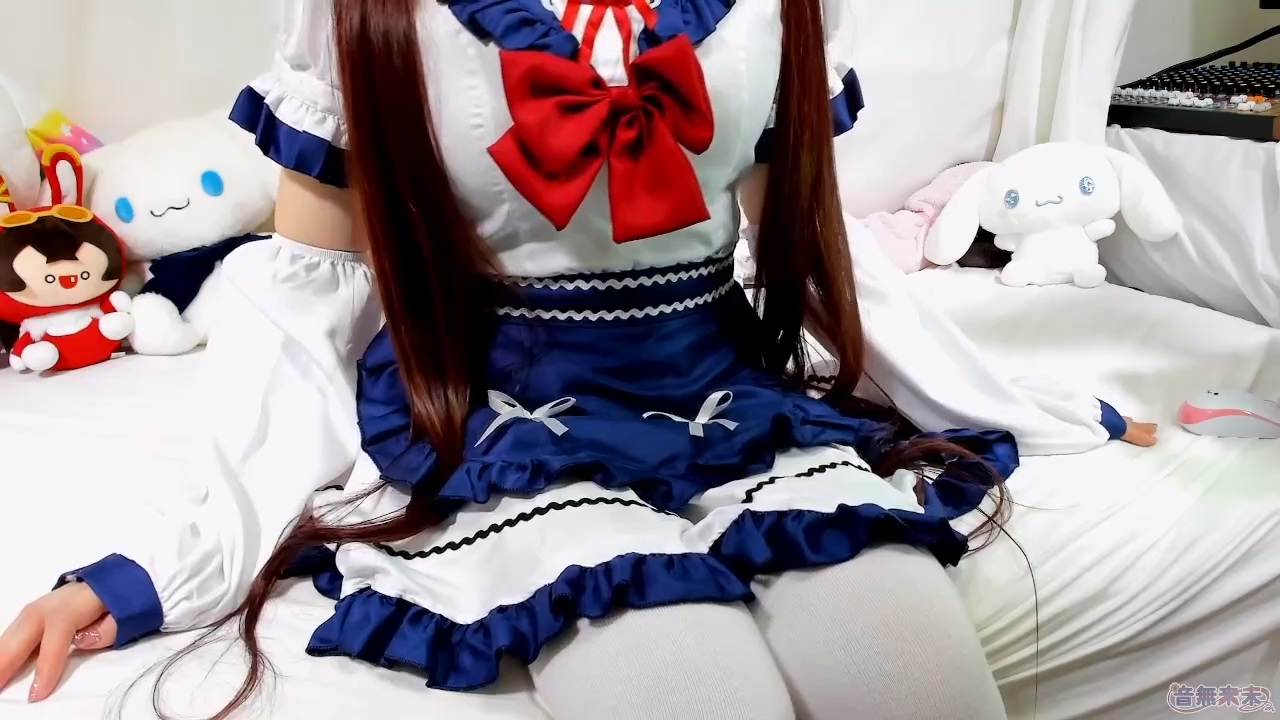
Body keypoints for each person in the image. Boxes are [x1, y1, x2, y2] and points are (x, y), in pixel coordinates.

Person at [0, 0, 1158, 717]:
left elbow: (809, 253)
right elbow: (303, 299)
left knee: (917, 681)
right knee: (695, 690)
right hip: (504, 424)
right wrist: (169, 567)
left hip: (726, 400)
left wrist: (1032, 408)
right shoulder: (366, 15)